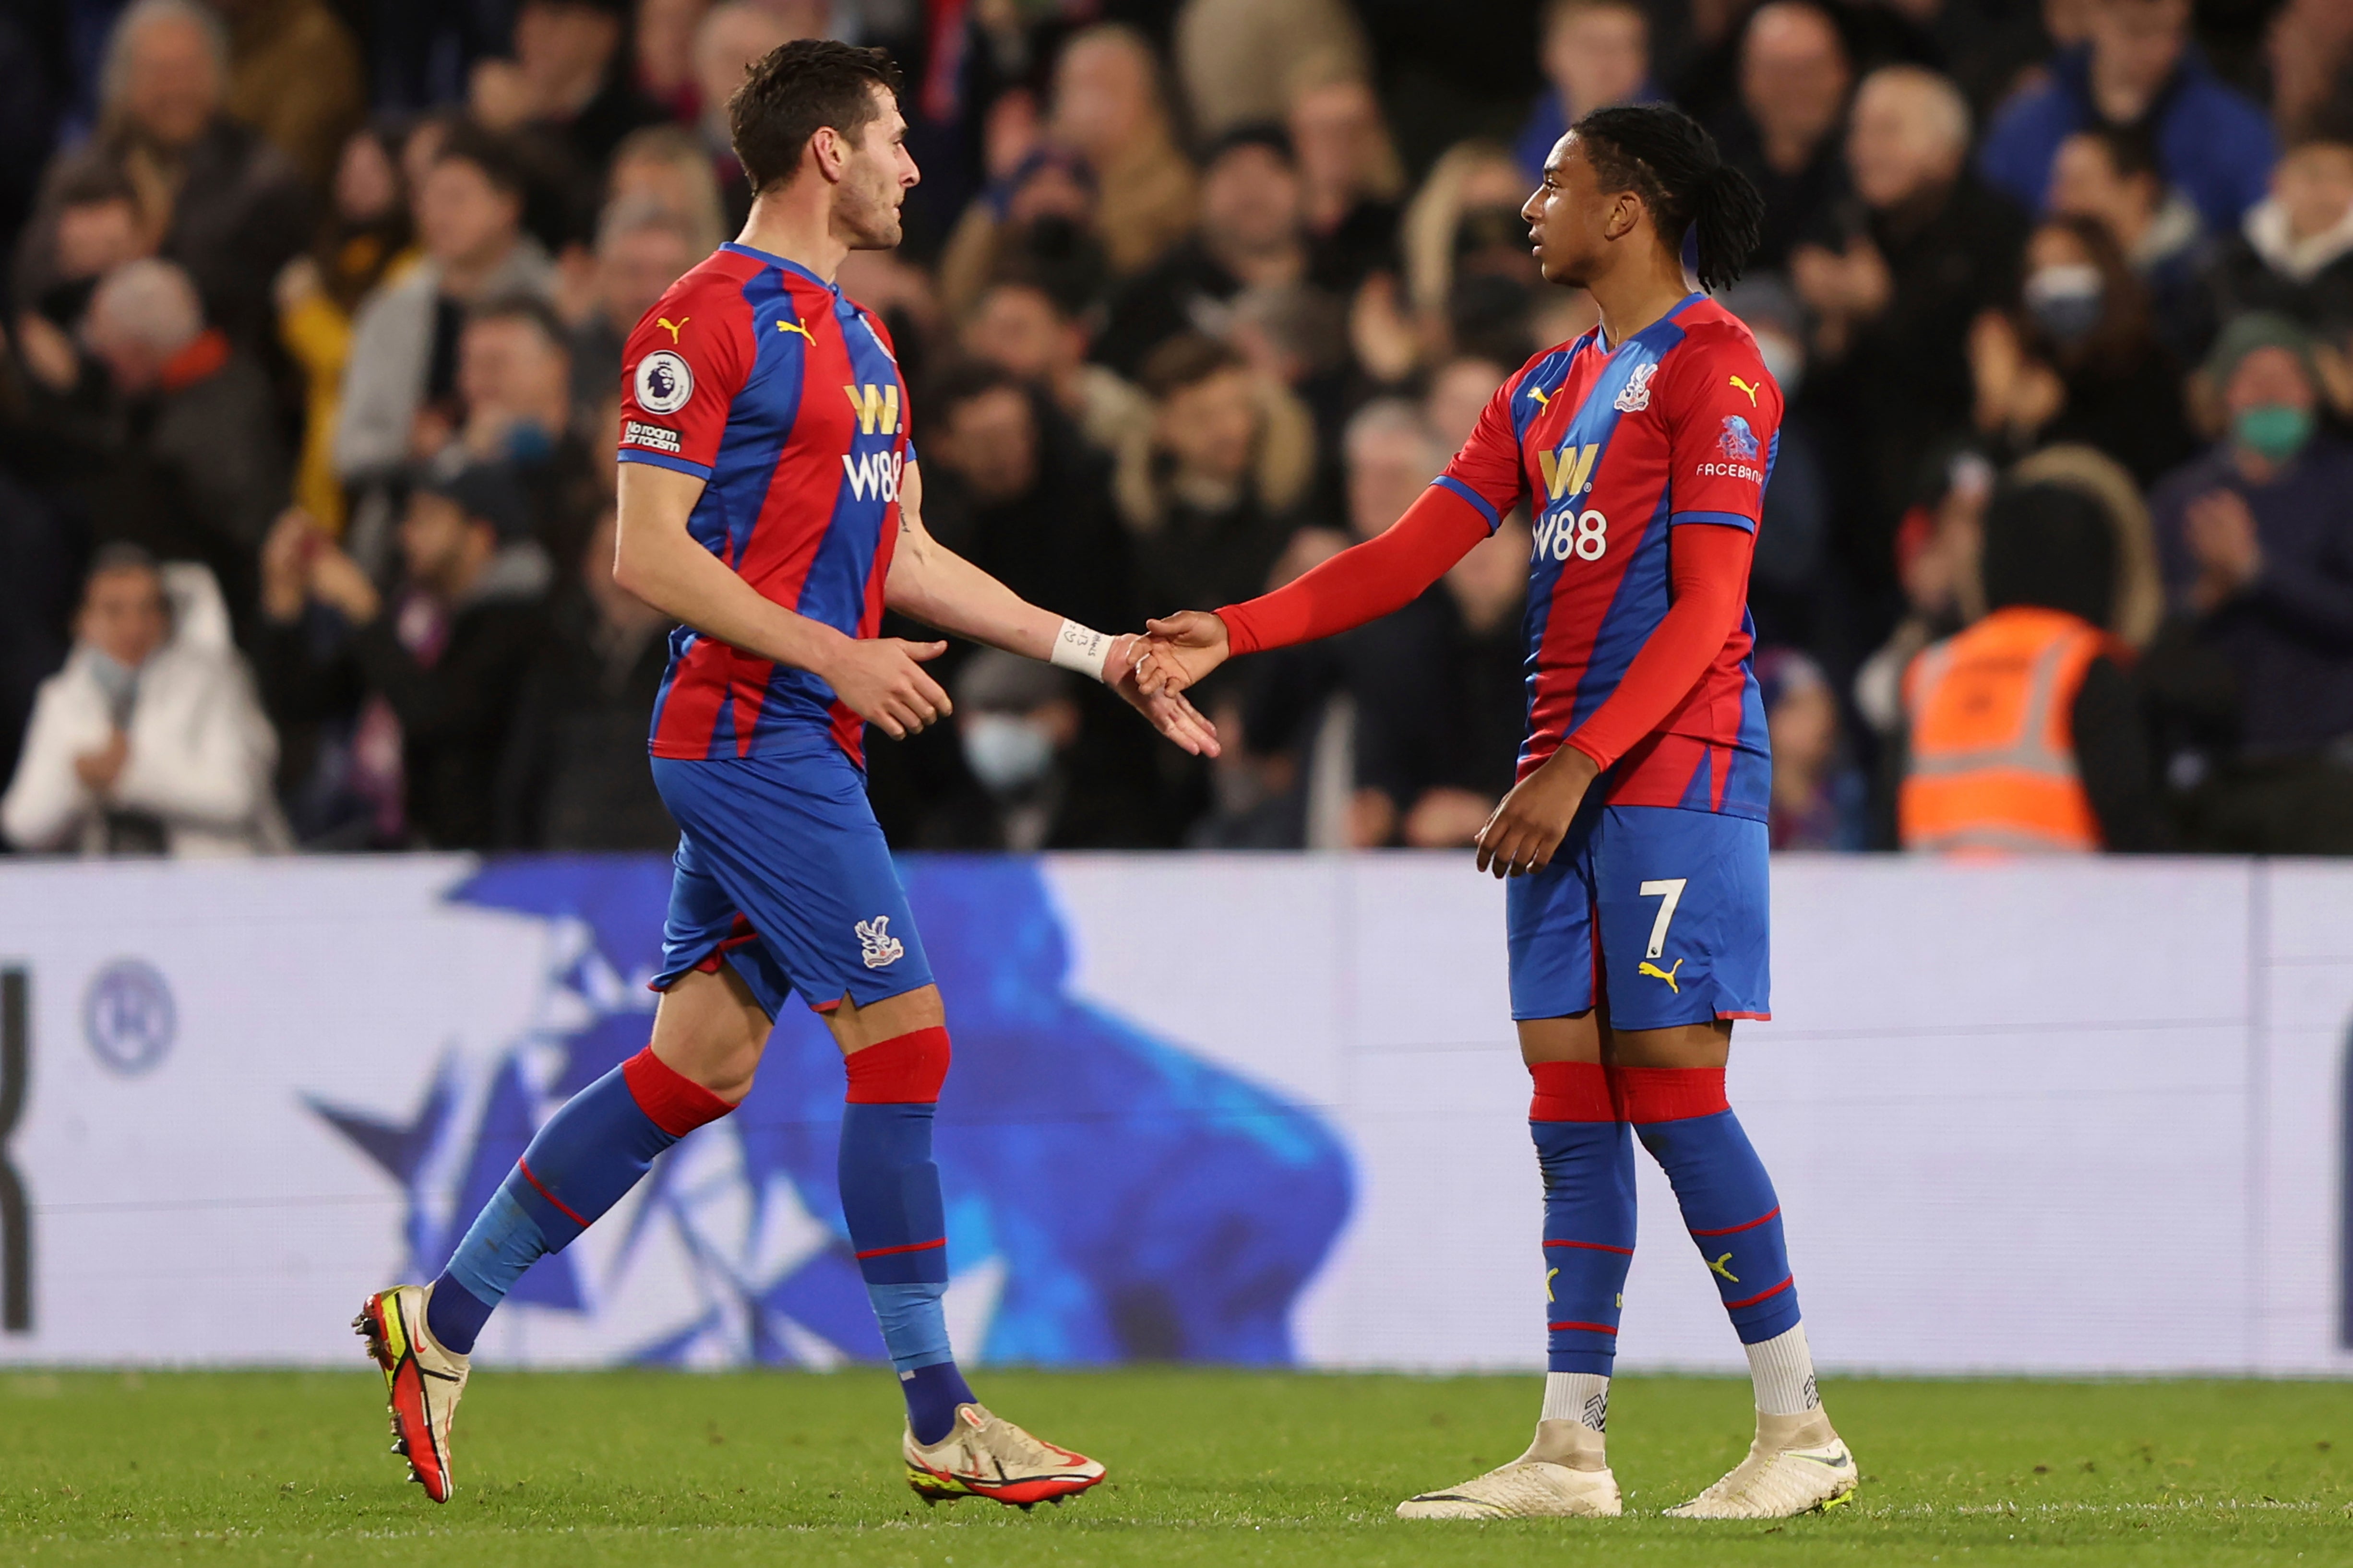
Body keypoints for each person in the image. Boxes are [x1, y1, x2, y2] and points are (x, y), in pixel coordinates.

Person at [353, 39, 1218, 1511]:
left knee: (700, 1065)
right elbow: (645, 550)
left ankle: (436, 1324)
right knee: (906, 1042)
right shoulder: (701, 320)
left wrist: (1097, 654)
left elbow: (907, 557)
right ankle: (938, 1418)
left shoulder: (862, 343)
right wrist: (830, 654)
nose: (914, 164)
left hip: (788, 734)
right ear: (827, 152)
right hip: (746, 738)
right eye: (893, 139)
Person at [1139, 101, 1856, 1521]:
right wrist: (1235, 625)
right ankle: (1567, 1449)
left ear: (1629, 205)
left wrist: (1578, 763)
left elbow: (1712, 606)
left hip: (1669, 768)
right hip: (1562, 778)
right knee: (1567, 1102)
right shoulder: (1543, 387)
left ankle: (1796, 1427)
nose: (1528, 208)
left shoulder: (1717, 370)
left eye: (1553, 183)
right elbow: (1405, 556)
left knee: (1668, 1082)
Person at [256, 462, 553, 850]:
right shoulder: (416, 616)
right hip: (400, 840)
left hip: (489, 855)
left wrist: (362, 610)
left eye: (427, 520)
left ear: (480, 536)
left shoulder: (520, 624)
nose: (405, 534)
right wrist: (283, 606)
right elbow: (302, 702)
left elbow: (433, 715)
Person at [2146, 313, 2353, 852]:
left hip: (2325, 769)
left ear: (2314, 393)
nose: (2269, 393)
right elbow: (2147, 633)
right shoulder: (2177, 499)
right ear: (2222, 394)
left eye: (2287, 378)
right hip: (2209, 771)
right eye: (2251, 378)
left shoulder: (2343, 486)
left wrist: (2259, 574)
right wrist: (2203, 598)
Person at [1897, 481, 2162, 853]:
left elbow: (1890, 818)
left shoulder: (1931, 670)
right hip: (2061, 904)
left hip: (1937, 903)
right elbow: (2128, 816)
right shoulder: (2083, 666)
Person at [2, 545, 282, 857]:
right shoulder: (63, 698)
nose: (133, 627)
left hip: (215, 887)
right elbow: (21, 825)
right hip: (110, 892)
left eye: (148, 609)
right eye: (114, 610)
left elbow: (239, 795)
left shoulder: (217, 679)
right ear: (83, 619)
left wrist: (130, 776)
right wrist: (79, 782)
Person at [1977, 0, 2274, 235]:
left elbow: (2264, 235)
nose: (2158, 51)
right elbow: (1993, 226)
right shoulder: (2029, 124)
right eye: (2137, 31)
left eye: (2174, 31)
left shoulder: (2232, 129)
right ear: (2097, 17)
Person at [1514, 0, 1654, 186]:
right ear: (1551, 54)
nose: (1607, 59)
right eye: (1590, 44)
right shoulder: (1513, 136)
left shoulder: (1680, 153)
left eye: (1626, 45)